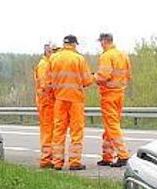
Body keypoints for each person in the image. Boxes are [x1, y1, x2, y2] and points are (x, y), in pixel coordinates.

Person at [47, 34, 93, 170]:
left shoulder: (53, 58)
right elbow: (87, 81)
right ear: (74, 44)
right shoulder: (79, 59)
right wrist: (93, 77)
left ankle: (57, 162)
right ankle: (74, 162)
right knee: (76, 132)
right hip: (75, 100)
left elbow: (47, 81)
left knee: (58, 131)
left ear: (64, 44)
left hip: (59, 99)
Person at [94, 32, 131, 167]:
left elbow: (103, 76)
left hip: (108, 94)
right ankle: (107, 156)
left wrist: (93, 77)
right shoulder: (123, 55)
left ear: (104, 41)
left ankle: (123, 155)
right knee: (110, 126)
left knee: (112, 126)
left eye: (101, 42)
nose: (100, 45)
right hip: (119, 93)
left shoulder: (106, 56)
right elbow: (128, 75)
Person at [34, 42, 57, 168]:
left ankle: (49, 158)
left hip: (48, 102)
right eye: (54, 51)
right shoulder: (44, 65)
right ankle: (46, 159)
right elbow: (45, 86)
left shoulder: (48, 64)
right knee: (48, 131)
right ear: (48, 52)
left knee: (50, 131)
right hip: (46, 102)